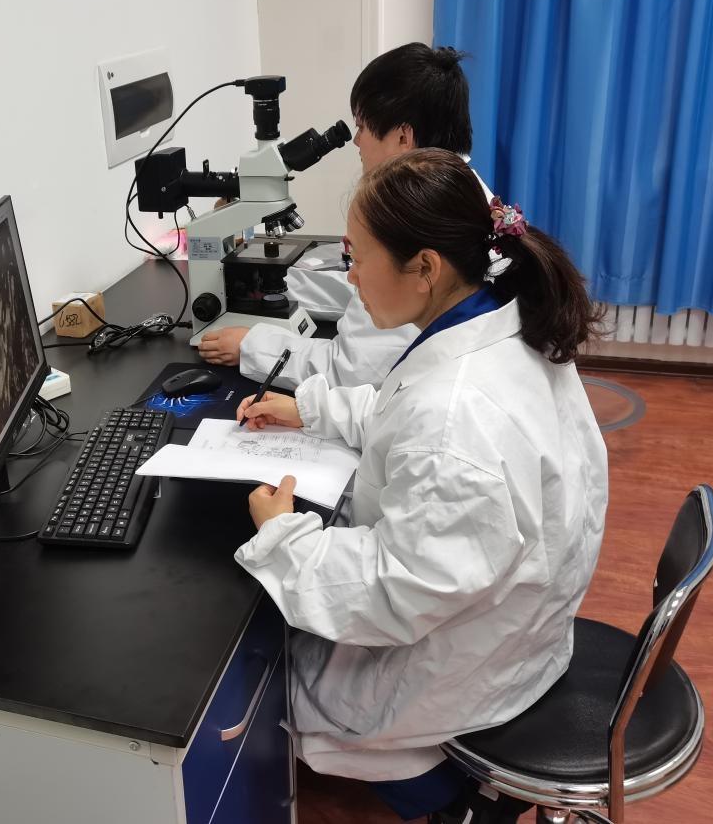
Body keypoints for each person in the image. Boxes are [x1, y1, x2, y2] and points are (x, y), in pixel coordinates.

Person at [232, 149, 608, 821]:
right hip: (517, 623)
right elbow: (406, 412)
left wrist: (284, 535)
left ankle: (451, 794)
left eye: (357, 258)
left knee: (265, 679)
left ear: (425, 267)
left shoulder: (455, 413)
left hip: (464, 666)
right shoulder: (497, 320)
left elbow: (395, 590)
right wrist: (313, 408)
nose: (350, 277)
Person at [198, 42, 493, 390]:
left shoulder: (416, 219)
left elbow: (352, 371)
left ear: (403, 137)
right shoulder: (461, 191)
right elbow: (373, 289)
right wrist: (278, 286)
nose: (355, 141)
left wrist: (251, 346)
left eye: (362, 127)